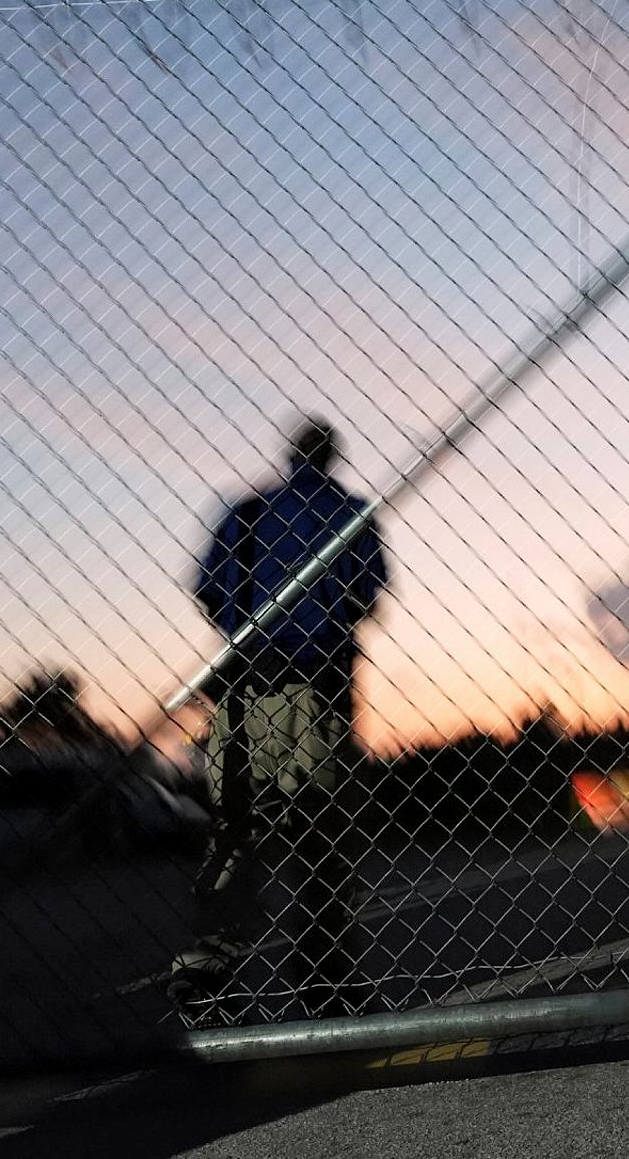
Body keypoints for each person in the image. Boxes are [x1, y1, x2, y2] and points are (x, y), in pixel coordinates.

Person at [168, 418, 389, 1020]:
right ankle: (323, 982)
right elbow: (365, 596)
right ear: (333, 456)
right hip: (317, 692)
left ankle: (207, 980)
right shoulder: (349, 512)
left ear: (289, 455)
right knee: (320, 842)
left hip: (244, 692)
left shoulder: (245, 513)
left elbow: (209, 589)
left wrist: (251, 624)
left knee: (235, 838)